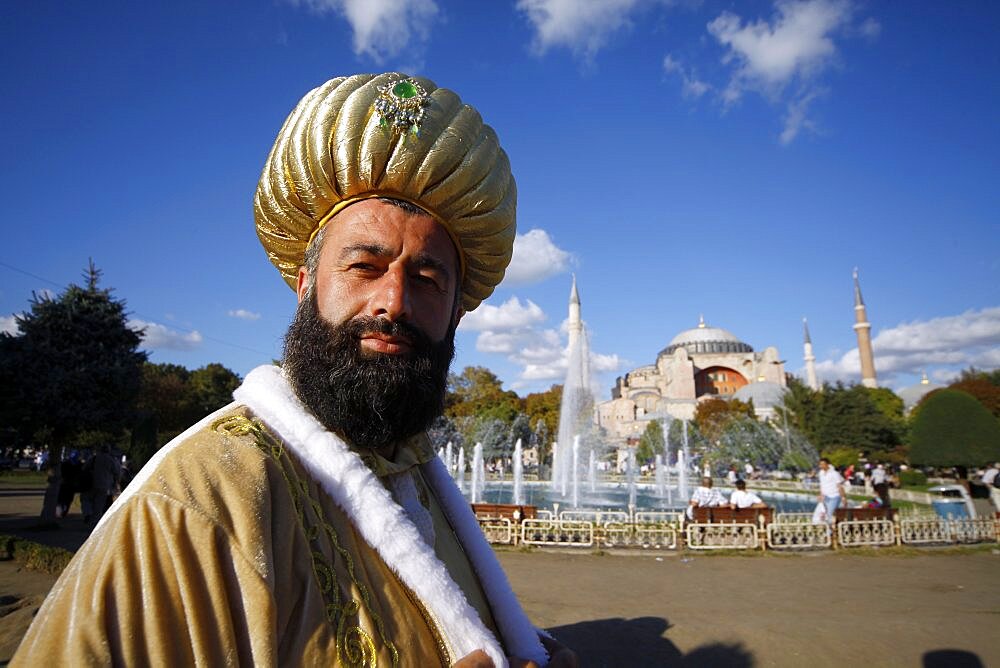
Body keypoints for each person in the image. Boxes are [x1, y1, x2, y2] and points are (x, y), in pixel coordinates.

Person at [15, 73, 573, 668]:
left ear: (456, 314)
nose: (394, 301)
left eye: (429, 278)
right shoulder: (193, 507)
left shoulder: (417, 476)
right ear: (306, 287)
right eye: (364, 265)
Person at [816, 457, 847, 524]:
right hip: (825, 497)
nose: (821, 466)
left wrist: (843, 497)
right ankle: (827, 530)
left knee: (829, 515)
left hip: (834, 497)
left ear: (828, 464)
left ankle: (829, 532)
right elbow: (822, 485)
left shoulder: (834, 473)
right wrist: (820, 495)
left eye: (823, 464)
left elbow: (840, 486)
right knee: (821, 515)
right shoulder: (821, 473)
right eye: (820, 464)